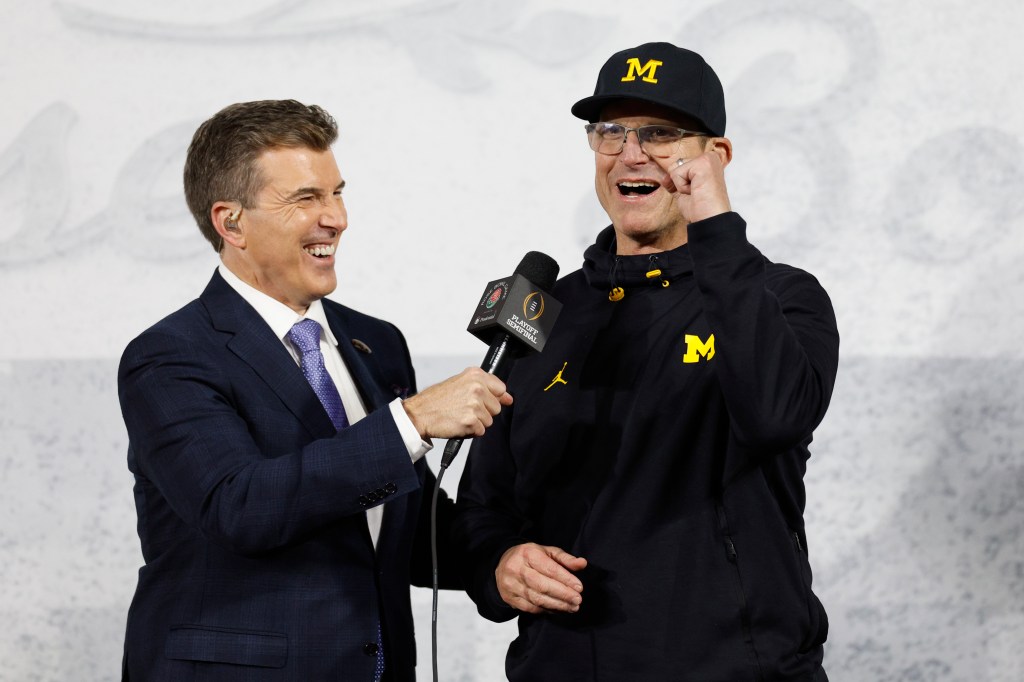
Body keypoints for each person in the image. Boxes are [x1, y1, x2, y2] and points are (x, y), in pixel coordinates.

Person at [454, 42, 839, 681]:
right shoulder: (545, 310)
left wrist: (716, 226)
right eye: (611, 132)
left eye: (660, 133)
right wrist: (500, 564)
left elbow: (775, 418)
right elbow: (483, 505)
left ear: (717, 155)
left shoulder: (780, 297)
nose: (632, 154)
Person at [118, 99, 511, 681]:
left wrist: (501, 563)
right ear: (231, 223)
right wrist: (411, 422)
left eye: (336, 192)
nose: (337, 218)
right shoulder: (170, 357)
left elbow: (404, 521)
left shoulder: (375, 342)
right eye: (306, 199)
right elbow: (239, 505)